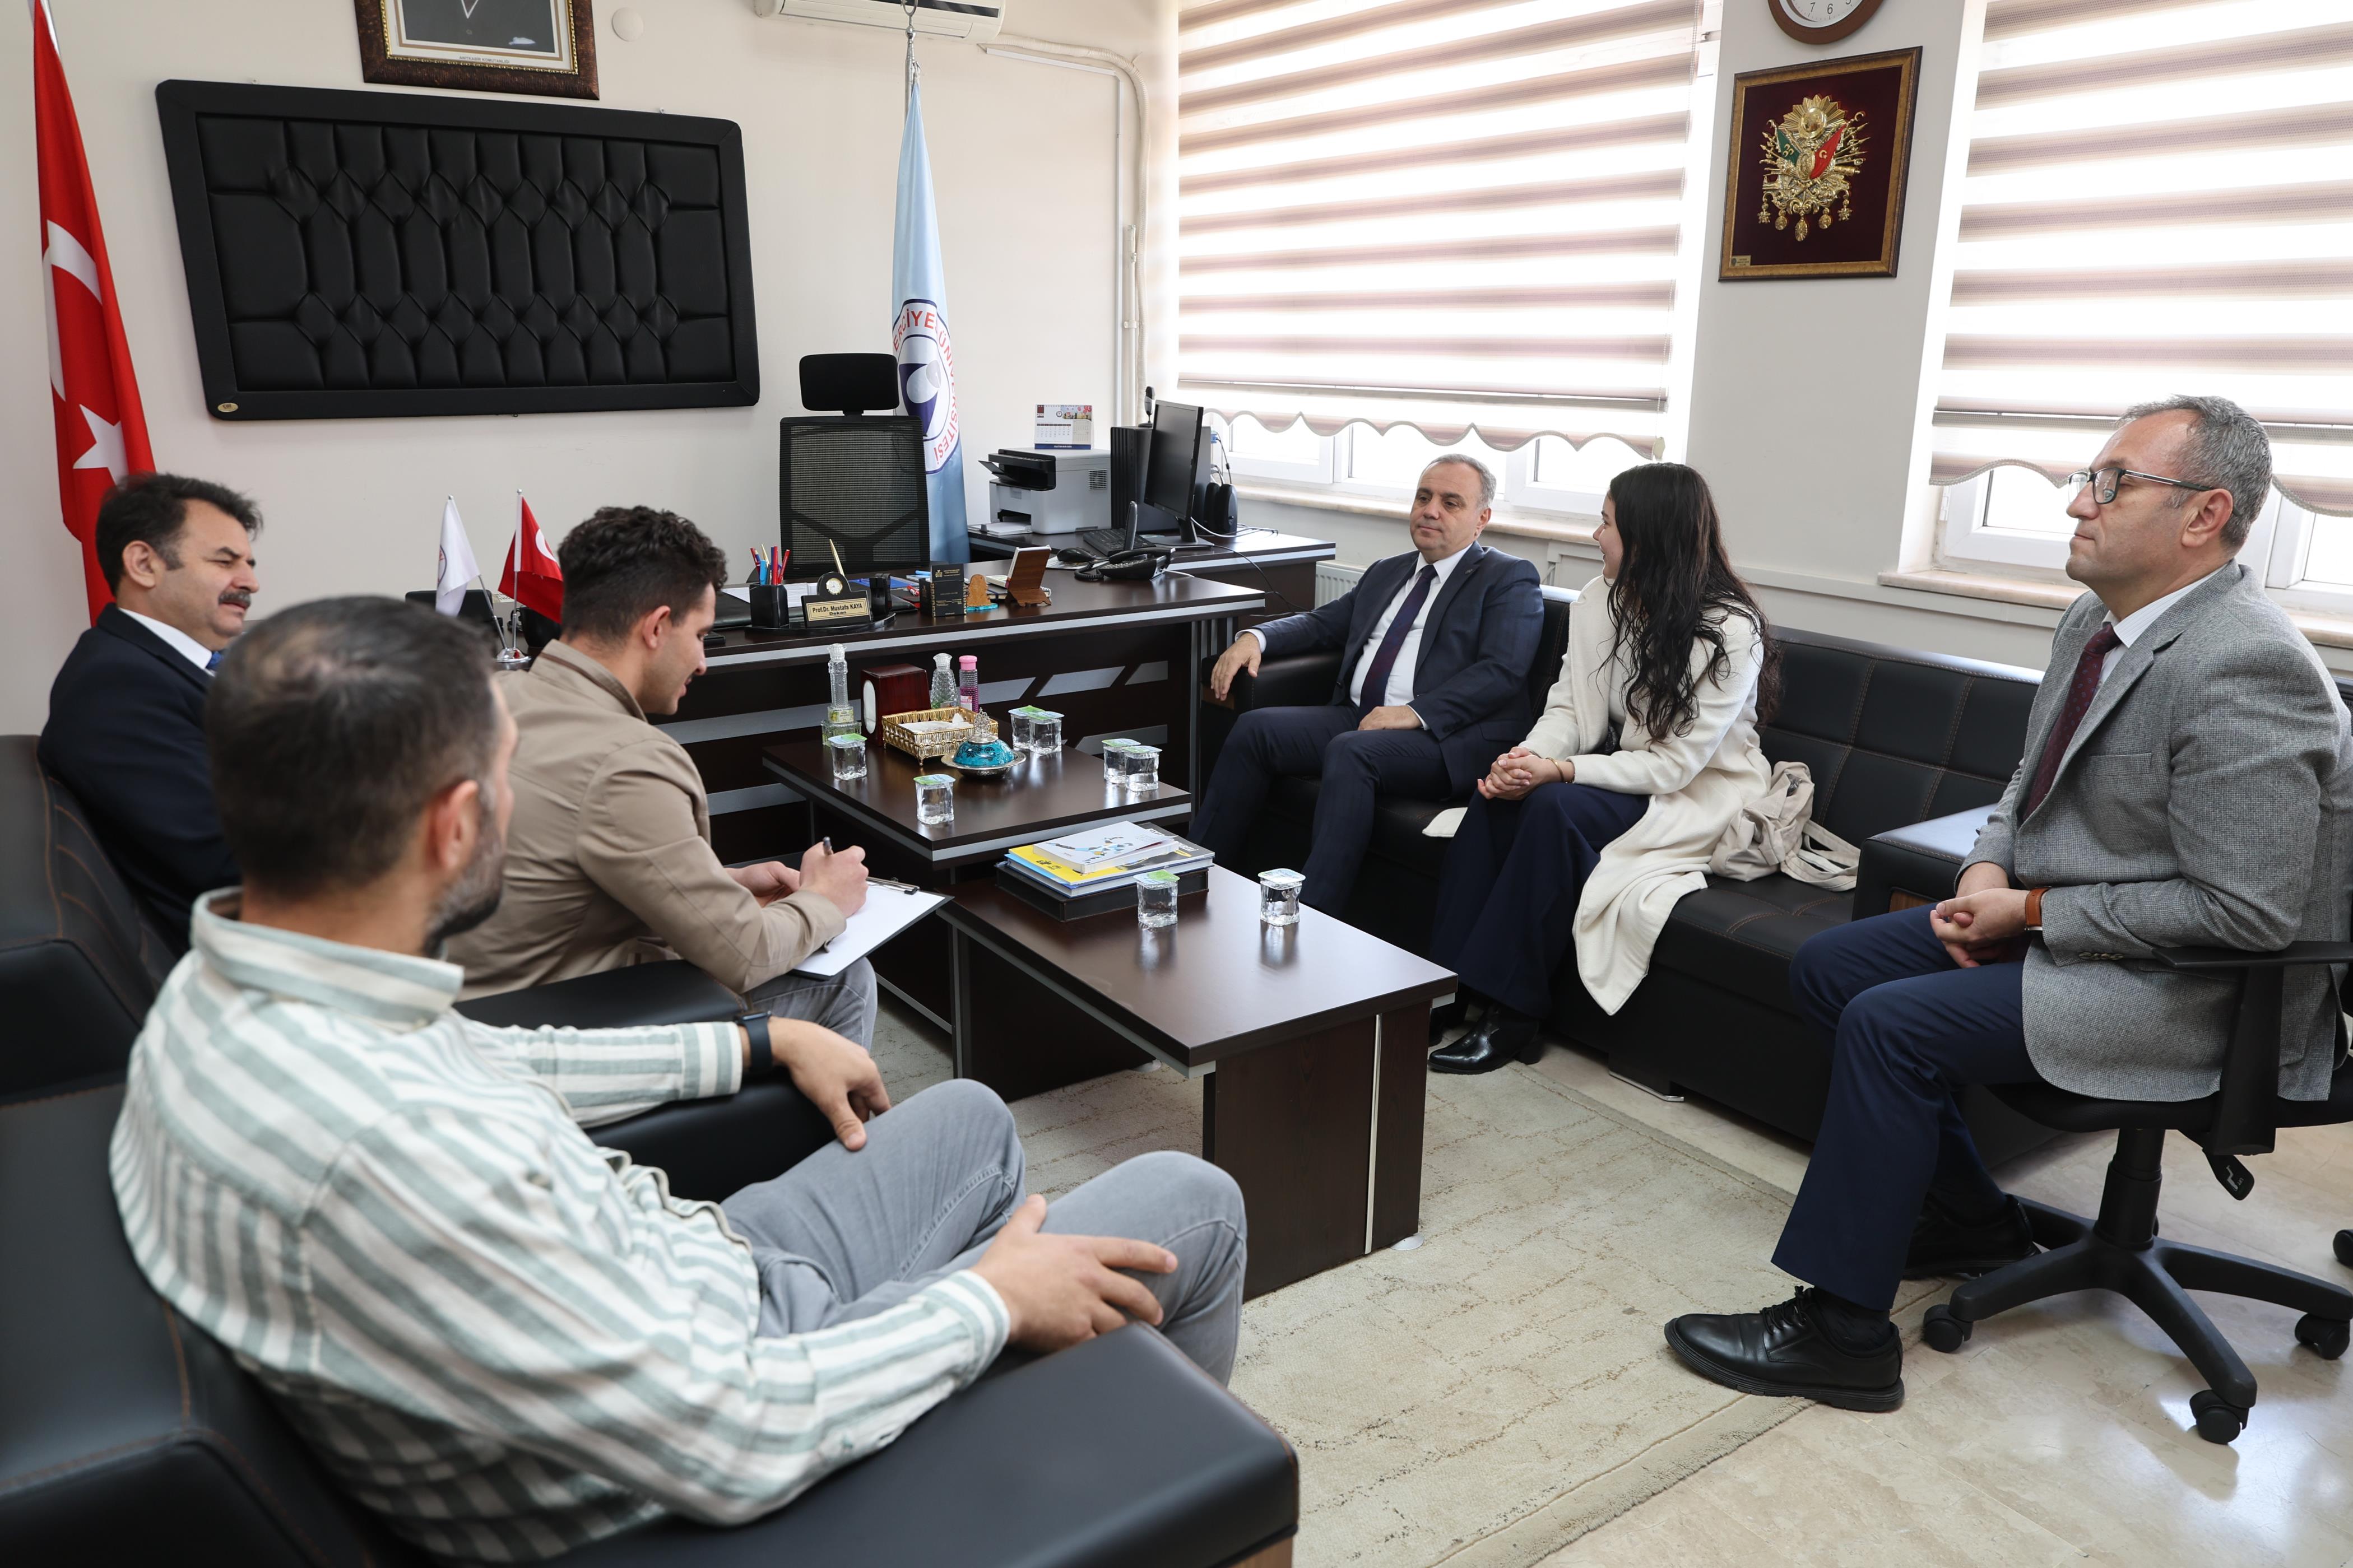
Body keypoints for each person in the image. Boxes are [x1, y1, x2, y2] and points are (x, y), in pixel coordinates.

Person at [110, 596, 1247, 1562]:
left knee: (967, 1116)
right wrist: (988, 1302)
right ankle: (1121, 1472)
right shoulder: (392, 1153)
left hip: (700, 1271)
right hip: (749, 1403)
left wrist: (756, 1042)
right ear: (454, 826)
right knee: (1194, 1200)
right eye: (505, 778)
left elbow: (506, 1053)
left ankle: (1005, 1408)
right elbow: (733, 1435)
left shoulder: (228, 987)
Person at [1667, 394, 2353, 1413]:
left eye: (2111, 483)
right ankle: (1973, 1219)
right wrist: (1984, 872)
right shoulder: (2093, 620)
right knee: (1830, 965)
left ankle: (1845, 1336)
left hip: (2202, 988)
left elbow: (2243, 914)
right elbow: (2025, 783)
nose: (2077, 502)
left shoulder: (2246, 665)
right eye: (2086, 477)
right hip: (2082, 932)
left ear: (2204, 514)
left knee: (1891, 1024)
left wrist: (2028, 915)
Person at [445, 506, 875, 1046]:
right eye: (700, 635)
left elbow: (561, 869)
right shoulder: (628, 759)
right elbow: (746, 956)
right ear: (656, 627)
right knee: (847, 980)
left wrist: (721, 884)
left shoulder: (492, 697)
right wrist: (826, 897)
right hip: (550, 1031)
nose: (703, 662)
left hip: (466, 1008)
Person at [1426, 463, 1778, 1073]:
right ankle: (1443, 986)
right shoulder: (1599, 599)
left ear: (1647, 537)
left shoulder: (1730, 629)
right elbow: (1569, 708)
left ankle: (1513, 1014)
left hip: (1698, 792)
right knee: (1499, 796)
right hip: (1624, 769)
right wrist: (1525, 761)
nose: (1595, 536)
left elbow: (1674, 767)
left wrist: (1560, 773)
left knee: (1551, 808)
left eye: (1606, 523)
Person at [1189, 454, 1543, 915]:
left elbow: (1501, 670)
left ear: (1481, 519)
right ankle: (1197, 878)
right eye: (1423, 497)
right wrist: (1254, 638)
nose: (1430, 510)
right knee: (1255, 729)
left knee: (1351, 751)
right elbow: (1322, 623)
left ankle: (1312, 915)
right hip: (1361, 718)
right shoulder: (1388, 571)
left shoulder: (1508, 578)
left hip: (1445, 738)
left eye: (1450, 502)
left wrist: (1414, 713)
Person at [39, 472, 262, 949]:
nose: (250, 582)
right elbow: (234, 862)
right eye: (225, 561)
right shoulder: (116, 686)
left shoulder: (164, 666)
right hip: (278, 944)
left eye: (248, 563)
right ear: (143, 564)